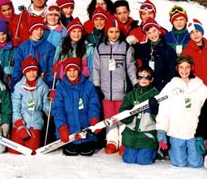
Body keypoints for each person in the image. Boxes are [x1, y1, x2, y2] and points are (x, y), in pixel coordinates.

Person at [155, 55, 207, 168]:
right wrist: (161, 130)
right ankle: (171, 151)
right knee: (179, 163)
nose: (184, 71)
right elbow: (163, 110)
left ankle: (202, 153)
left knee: (195, 163)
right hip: (177, 131)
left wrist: (206, 135)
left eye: (187, 67)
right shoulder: (170, 86)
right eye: (181, 67)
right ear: (177, 68)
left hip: (194, 132)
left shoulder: (201, 87)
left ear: (192, 68)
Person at [93, 17, 137, 154]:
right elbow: (96, 68)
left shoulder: (125, 47)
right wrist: (96, 85)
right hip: (106, 90)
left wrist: (135, 83)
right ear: (107, 32)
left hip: (121, 90)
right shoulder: (100, 48)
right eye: (111, 32)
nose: (114, 35)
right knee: (109, 116)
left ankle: (123, 141)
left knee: (122, 115)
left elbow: (130, 67)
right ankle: (112, 140)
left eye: (117, 32)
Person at [52, 57, 101, 156]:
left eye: (74, 70)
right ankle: (71, 142)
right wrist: (62, 128)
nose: (72, 73)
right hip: (69, 132)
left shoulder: (88, 86)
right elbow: (58, 109)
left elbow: (93, 105)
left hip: (86, 130)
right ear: (65, 72)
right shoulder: (61, 88)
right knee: (70, 147)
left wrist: (94, 119)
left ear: (79, 70)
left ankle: (88, 141)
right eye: (69, 70)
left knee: (87, 146)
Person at [119, 66, 160, 164]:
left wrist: (155, 109)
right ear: (137, 78)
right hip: (132, 134)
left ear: (152, 79)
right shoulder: (131, 95)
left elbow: (161, 118)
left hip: (147, 135)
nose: (144, 80)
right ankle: (131, 149)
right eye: (141, 77)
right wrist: (127, 112)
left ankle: (154, 151)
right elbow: (122, 115)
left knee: (143, 160)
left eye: (147, 77)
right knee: (128, 159)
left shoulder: (156, 94)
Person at [10, 56, 50, 154]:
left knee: (31, 150)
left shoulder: (43, 86)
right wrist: (19, 124)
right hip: (21, 120)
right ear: (24, 72)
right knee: (15, 150)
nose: (32, 73)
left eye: (34, 70)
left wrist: (52, 100)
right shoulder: (19, 87)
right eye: (29, 71)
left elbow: (46, 108)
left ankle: (34, 136)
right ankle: (17, 132)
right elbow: (15, 108)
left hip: (35, 121)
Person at [11, 16, 56, 90]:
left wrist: (49, 82)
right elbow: (17, 66)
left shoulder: (49, 47)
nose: (39, 32)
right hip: (26, 82)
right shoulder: (23, 47)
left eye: (41, 29)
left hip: (43, 82)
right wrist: (15, 80)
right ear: (31, 30)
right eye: (36, 29)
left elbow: (51, 67)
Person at [182, 19, 207, 93]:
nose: (195, 34)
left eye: (197, 31)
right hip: (196, 91)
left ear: (202, 32)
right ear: (190, 36)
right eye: (192, 32)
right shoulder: (186, 52)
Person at [135, 20, 177, 91]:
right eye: (149, 33)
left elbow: (172, 72)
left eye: (154, 31)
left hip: (162, 87)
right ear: (146, 35)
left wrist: (166, 87)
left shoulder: (168, 50)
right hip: (147, 86)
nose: (152, 35)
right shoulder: (143, 48)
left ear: (159, 31)